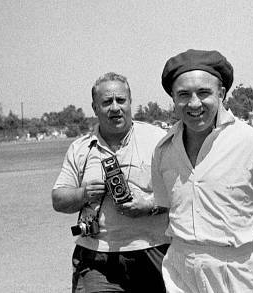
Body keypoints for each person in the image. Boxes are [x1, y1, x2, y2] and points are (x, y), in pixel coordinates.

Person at [151, 49, 253, 293]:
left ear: (221, 94)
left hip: (241, 273)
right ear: (173, 97)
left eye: (204, 93)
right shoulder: (163, 149)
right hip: (181, 273)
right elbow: (166, 211)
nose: (194, 103)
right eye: (183, 94)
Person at [52, 73, 170, 293]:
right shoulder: (80, 149)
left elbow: (183, 192)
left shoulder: (158, 139)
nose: (115, 108)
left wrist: (149, 205)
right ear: (95, 108)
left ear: (130, 102)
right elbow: (58, 200)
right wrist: (83, 194)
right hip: (97, 257)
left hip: (154, 250)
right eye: (107, 102)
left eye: (121, 100)